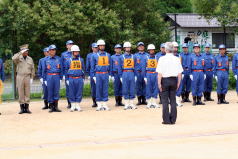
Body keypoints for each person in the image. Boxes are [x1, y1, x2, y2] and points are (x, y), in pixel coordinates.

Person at [157, 42, 183, 125]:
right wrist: (178, 82)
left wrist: (159, 83)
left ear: (166, 49)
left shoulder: (161, 59)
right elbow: (179, 73)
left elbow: (159, 73)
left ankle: (166, 120)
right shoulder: (176, 59)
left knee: (164, 101)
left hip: (165, 80)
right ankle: (173, 120)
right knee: (173, 101)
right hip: (173, 80)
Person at [12, 44, 35, 114]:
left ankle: (27, 108)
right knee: (20, 92)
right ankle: (22, 108)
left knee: (27, 92)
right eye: (25, 51)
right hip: (20, 76)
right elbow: (13, 58)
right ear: (22, 51)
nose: (26, 52)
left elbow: (33, 68)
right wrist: (20, 53)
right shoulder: (18, 58)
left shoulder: (30, 59)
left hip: (27, 76)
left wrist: (32, 77)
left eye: (27, 51)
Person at [91, 39, 111, 111]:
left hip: (105, 73)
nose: (102, 46)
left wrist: (110, 74)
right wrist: (93, 76)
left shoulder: (108, 55)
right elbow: (92, 66)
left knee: (105, 89)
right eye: (100, 45)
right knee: (98, 89)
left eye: (103, 45)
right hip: (98, 74)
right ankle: (99, 105)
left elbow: (110, 66)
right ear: (98, 46)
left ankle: (105, 104)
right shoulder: (94, 55)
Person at [43, 44, 63, 112]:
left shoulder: (58, 59)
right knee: (50, 91)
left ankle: (56, 107)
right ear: (49, 51)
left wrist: (61, 77)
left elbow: (61, 69)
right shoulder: (46, 59)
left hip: (57, 76)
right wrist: (44, 79)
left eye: (54, 50)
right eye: (52, 50)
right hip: (49, 76)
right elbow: (44, 70)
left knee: (56, 91)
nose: (53, 51)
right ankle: (51, 107)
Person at [65, 45, 85, 112]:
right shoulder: (68, 60)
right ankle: (73, 105)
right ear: (72, 52)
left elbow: (83, 69)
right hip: (71, 78)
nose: (76, 53)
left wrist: (83, 78)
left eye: (77, 51)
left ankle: (78, 105)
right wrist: (67, 79)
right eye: (75, 52)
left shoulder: (81, 60)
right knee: (71, 92)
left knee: (79, 91)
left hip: (79, 78)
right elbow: (66, 70)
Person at [118, 42, 137, 110]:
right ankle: (126, 103)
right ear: (124, 48)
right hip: (125, 73)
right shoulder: (121, 57)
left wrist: (135, 75)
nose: (128, 48)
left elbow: (136, 66)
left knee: (132, 88)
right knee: (125, 88)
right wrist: (120, 76)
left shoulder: (133, 56)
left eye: (129, 47)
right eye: (127, 47)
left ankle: (131, 103)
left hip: (131, 72)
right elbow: (119, 67)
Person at [144, 44, 160, 108]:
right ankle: (149, 102)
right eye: (150, 50)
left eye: (152, 50)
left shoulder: (157, 57)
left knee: (155, 88)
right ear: (148, 50)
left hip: (155, 73)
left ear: (154, 50)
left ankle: (154, 102)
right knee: (148, 88)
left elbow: (159, 66)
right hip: (148, 73)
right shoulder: (146, 57)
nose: (151, 51)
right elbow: (144, 67)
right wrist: (145, 76)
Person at [61, 40, 74, 109]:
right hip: (67, 74)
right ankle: (69, 103)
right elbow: (62, 65)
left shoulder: (75, 53)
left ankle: (74, 102)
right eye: (69, 44)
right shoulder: (63, 54)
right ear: (67, 46)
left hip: (74, 73)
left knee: (74, 88)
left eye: (72, 44)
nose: (70, 45)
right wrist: (62, 75)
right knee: (68, 89)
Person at [86, 43, 98, 107]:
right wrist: (88, 74)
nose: (96, 48)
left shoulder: (100, 54)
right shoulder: (89, 55)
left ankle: (100, 101)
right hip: (92, 73)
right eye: (94, 47)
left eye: (96, 47)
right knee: (93, 88)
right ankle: (94, 102)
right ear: (92, 48)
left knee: (99, 87)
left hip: (99, 72)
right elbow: (88, 65)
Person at [172, 42, 183, 107]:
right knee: (172, 87)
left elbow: (180, 65)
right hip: (171, 74)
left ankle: (177, 100)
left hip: (178, 73)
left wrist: (181, 73)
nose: (175, 49)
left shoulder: (179, 56)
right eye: (174, 47)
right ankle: (172, 101)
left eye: (176, 47)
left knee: (179, 87)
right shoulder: (169, 56)